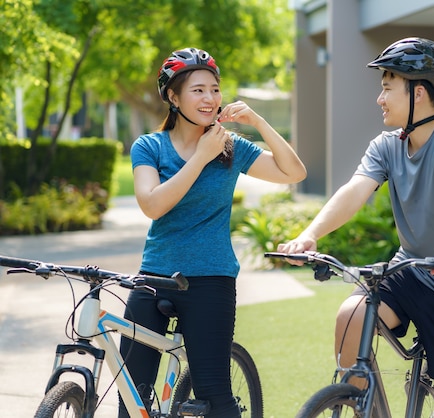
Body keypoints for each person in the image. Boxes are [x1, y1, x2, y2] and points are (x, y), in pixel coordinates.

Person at [277, 37, 434, 418]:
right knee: (351, 315)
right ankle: (363, 407)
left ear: (420, 93)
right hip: (411, 270)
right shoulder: (386, 146)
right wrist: (309, 234)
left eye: (387, 87)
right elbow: (353, 191)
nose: (380, 98)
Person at [118, 47, 306, 418]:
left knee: (215, 396)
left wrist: (258, 122)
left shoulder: (231, 147)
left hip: (211, 280)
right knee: (132, 397)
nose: (210, 98)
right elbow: (153, 204)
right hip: (155, 275)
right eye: (198, 90)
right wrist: (201, 156)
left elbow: (293, 172)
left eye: (214, 89)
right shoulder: (149, 146)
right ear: (173, 97)